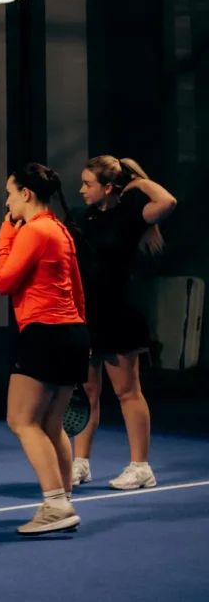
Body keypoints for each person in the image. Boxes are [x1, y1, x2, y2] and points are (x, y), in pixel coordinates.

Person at [70, 155, 177, 490]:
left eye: (88, 184)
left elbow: (168, 202)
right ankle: (80, 463)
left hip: (118, 316)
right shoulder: (80, 218)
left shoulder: (132, 216)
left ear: (108, 187)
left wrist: (137, 182)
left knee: (128, 392)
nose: (82, 189)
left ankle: (140, 467)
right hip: (86, 317)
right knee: (87, 393)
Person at [0, 163, 89, 535]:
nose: (7, 202)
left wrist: (5, 233)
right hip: (72, 334)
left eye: (9, 193)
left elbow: (3, 281)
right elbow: (78, 290)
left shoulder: (34, 231)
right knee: (51, 423)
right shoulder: (61, 230)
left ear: (26, 194)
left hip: (44, 334)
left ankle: (55, 504)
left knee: (21, 421)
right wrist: (85, 341)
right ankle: (63, 500)